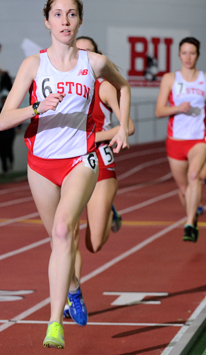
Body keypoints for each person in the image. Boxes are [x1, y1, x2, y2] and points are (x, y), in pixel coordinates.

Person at [0, 0, 131, 349]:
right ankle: (73, 288)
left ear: (80, 20)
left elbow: (124, 86)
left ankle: (54, 323)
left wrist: (123, 127)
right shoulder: (32, 65)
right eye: (58, 14)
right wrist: (36, 107)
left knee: (62, 230)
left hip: (80, 159)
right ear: (47, 21)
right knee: (59, 241)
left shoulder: (95, 63)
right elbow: (3, 120)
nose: (65, 21)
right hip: (40, 164)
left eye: (72, 14)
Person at [60, 36, 136, 320]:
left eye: (87, 53)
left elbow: (127, 126)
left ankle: (111, 214)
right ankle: (71, 297)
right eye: (77, 51)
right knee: (69, 235)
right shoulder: (63, 85)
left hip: (100, 163)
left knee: (94, 243)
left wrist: (91, 137)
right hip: (69, 165)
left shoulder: (104, 87)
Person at [155, 37, 206, 243]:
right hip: (175, 141)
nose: (188, 57)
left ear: (198, 55)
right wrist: (178, 108)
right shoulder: (170, 79)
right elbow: (159, 110)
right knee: (184, 190)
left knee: (194, 175)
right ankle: (193, 216)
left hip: (199, 139)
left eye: (192, 53)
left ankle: (189, 224)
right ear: (179, 55)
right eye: (184, 53)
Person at [0, 96, 20, 174]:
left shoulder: (12, 111)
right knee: (1, 152)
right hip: (1, 135)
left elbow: (19, 118)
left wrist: (18, 128)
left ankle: (11, 161)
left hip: (10, 134)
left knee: (9, 149)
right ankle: (4, 169)